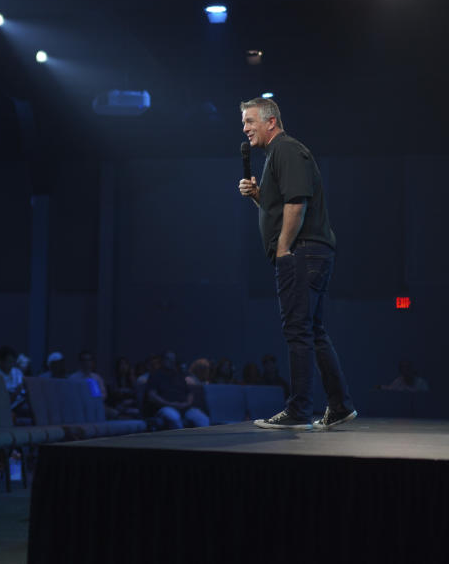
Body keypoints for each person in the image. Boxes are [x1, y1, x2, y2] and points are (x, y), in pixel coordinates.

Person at [238, 97, 356, 430]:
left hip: (302, 252)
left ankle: (299, 410)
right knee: (313, 332)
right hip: (310, 252)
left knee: (297, 332)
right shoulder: (279, 153)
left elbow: (297, 203)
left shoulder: (286, 150)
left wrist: (284, 249)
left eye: (250, 121)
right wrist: (258, 195)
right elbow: (280, 206)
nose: (245, 129)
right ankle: (340, 406)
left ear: (270, 121)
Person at [145, 351, 210, 430]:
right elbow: (152, 396)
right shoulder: (155, 375)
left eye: (173, 359)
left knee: (202, 419)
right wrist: (170, 404)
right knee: (173, 418)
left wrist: (186, 403)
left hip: (185, 407)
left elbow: (189, 393)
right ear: (162, 360)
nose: (171, 361)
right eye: (168, 359)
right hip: (166, 407)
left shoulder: (179, 375)